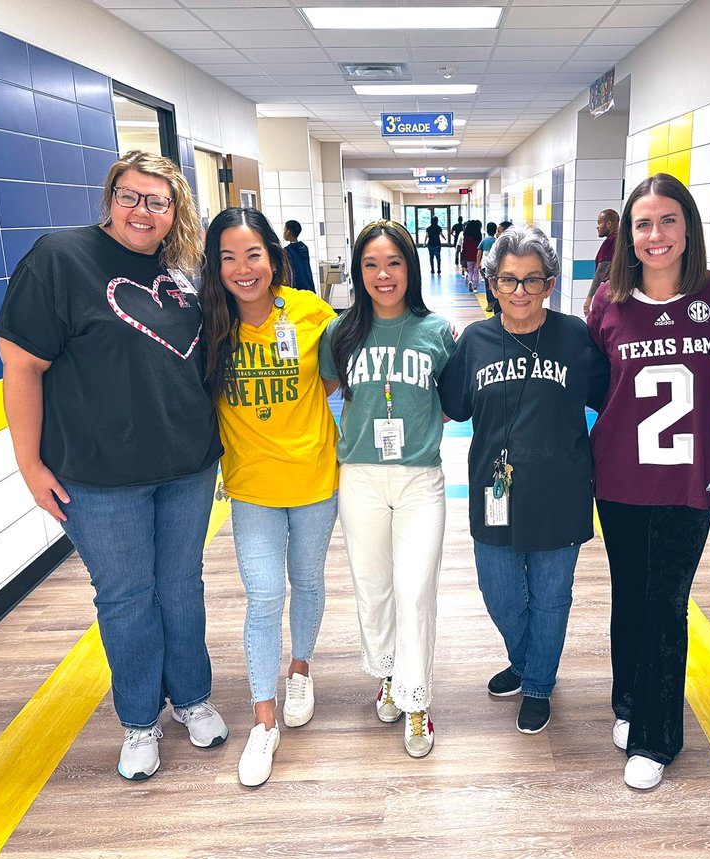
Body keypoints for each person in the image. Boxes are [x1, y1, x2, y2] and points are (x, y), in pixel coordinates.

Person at [0, 150, 226, 781]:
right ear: (110, 197)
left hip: (188, 466)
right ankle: (138, 720)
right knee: (127, 598)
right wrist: (29, 465)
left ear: (175, 209)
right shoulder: (59, 259)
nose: (141, 211)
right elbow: (21, 368)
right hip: (97, 477)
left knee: (181, 589)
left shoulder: (182, 271)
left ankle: (193, 698)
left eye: (157, 200)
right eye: (130, 196)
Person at [586, 175, 710, 790]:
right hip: (619, 476)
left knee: (667, 603)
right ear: (628, 236)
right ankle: (627, 701)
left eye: (669, 221)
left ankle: (657, 736)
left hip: (687, 480)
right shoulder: (607, 302)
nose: (656, 235)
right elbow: (597, 386)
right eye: (643, 224)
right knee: (630, 593)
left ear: (688, 227)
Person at [438, 225, 609, 735]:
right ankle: (529, 657)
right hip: (496, 489)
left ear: (550, 284)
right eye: (508, 280)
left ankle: (537, 684)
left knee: (552, 597)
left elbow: (613, 400)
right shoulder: (475, 341)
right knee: (502, 594)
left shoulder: (575, 337)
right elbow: (452, 406)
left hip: (561, 490)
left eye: (532, 280)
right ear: (491, 283)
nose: (519, 291)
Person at [202, 208, 339, 787]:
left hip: (313, 480)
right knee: (263, 597)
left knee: (307, 581)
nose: (242, 269)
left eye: (253, 254)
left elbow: (334, 376)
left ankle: (300, 669)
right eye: (228, 257)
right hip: (252, 488)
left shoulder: (311, 312)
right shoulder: (207, 323)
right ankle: (264, 722)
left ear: (274, 258)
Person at [319, 220, 456, 758]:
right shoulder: (342, 333)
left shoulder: (438, 331)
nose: (383, 274)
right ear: (359, 272)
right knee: (372, 587)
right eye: (371, 264)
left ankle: (416, 698)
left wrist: (422, 427)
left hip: (420, 478)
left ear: (411, 268)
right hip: (360, 477)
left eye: (394, 263)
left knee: (414, 587)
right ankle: (387, 675)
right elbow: (325, 394)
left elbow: (452, 399)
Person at [584, 208, 619, 317]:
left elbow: (601, 272)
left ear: (608, 224)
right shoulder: (623, 240)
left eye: (599, 223)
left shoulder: (610, 242)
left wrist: (589, 298)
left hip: (609, 293)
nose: (597, 226)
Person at [282, 219, 316, 295]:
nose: (283, 232)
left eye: (284, 229)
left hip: (296, 288)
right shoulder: (304, 247)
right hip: (308, 285)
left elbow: (288, 273)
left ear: (288, 232)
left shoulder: (287, 251)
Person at [476, 221, 498, 314]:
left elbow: (479, 254)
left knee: (487, 285)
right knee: (496, 284)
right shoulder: (497, 241)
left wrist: (478, 264)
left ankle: (490, 304)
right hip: (496, 267)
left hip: (485, 266)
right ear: (495, 230)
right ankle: (496, 302)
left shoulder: (484, 241)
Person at [462, 219, 483, 292]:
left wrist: (463, 255)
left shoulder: (466, 235)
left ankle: (470, 281)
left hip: (468, 255)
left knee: (470, 271)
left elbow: (464, 246)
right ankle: (475, 287)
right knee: (476, 272)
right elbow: (480, 247)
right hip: (476, 256)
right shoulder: (479, 235)